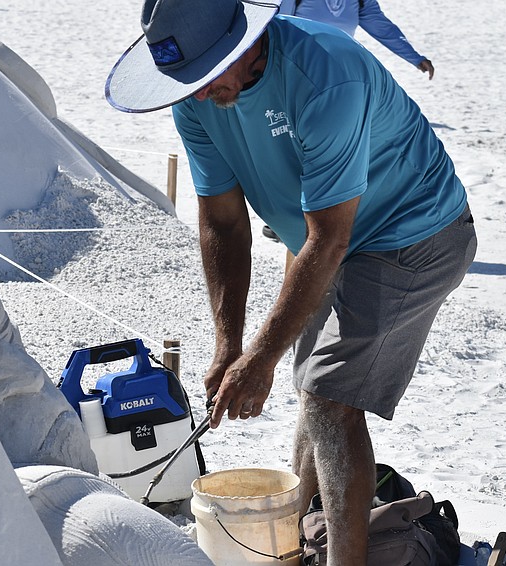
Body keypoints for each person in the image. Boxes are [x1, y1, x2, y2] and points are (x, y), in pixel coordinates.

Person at [105, 1, 476, 564]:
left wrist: (260, 358)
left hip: (413, 233)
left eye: (206, 75)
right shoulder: (197, 99)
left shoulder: (325, 75)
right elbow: (224, 224)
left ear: (243, 42)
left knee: (329, 397)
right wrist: (231, 344)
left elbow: (330, 239)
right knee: (314, 386)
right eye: (185, 81)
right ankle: (304, 536)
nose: (198, 93)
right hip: (318, 238)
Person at [279, 0, 435, 79]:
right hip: (298, 70)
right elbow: (276, 26)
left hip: (339, 71)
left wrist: (414, 57)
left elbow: (383, 29)